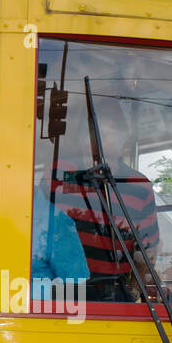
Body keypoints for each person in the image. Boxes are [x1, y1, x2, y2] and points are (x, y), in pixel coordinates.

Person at [47, 93, 160, 301]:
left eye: (110, 133)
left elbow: (147, 252)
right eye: (92, 133)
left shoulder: (139, 186)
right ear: (81, 138)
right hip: (61, 288)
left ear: (123, 139)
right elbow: (37, 232)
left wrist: (133, 291)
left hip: (114, 293)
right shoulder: (58, 174)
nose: (99, 142)